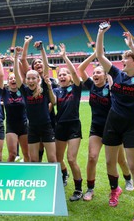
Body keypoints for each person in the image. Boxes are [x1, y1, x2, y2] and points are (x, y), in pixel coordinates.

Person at [95, 22, 134, 221]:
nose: (123, 62)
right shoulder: (117, 74)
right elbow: (100, 56)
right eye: (122, 59)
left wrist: (132, 46)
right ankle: (115, 190)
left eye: (126, 59)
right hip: (112, 124)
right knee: (110, 162)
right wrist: (100, 33)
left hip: (131, 126)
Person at [78, 51, 134, 201]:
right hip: (96, 128)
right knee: (92, 157)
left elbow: (112, 78)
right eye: (94, 72)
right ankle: (90, 189)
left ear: (104, 75)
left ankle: (128, 179)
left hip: (113, 129)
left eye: (98, 72)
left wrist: (104, 64)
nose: (95, 75)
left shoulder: (112, 89)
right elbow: (81, 69)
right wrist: (94, 54)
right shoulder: (91, 85)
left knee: (120, 160)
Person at [13, 44, 56, 164]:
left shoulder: (44, 87)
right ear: (26, 80)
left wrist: (42, 50)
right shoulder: (24, 90)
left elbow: (46, 67)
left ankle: (53, 181)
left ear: (38, 79)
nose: (31, 81)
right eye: (28, 78)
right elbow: (16, 73)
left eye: (33, 78)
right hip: (32, 128)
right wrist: (16, 57)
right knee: (34, 160)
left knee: (52, 159)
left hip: (47, 126)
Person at [51, 43, 83, 201]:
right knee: (58, 158)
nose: (62, 76)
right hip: (60, 126)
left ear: (70, 77)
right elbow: (52, 103)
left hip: (73, 126)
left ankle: (78, 189)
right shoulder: (56, 91)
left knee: (71, 158)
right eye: (60, 75)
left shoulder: (76, 88)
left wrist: (64, 58)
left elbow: (76, 74)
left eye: (65, 74)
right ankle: (64, 175)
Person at [0, 54, 29, 162]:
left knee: (27, 154)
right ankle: (8, 175)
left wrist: (16, 60)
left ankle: (28, 175)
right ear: (8, 81)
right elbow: (0, 77)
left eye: (15, 78)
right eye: (11, 78)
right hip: (11, 127)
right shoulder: (4, 92)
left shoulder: (24, 91)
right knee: (13, 154)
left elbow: (24, 75)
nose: (13, 80)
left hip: (24, 125)